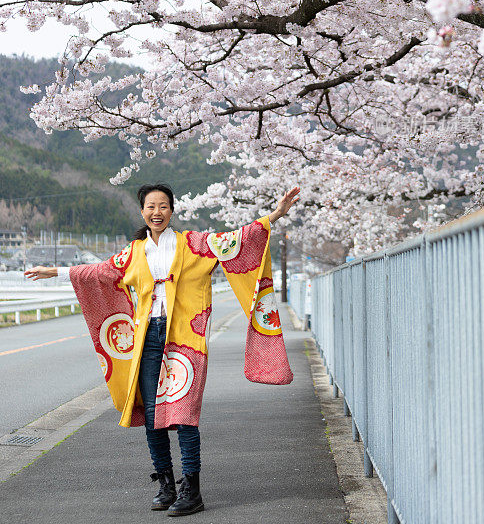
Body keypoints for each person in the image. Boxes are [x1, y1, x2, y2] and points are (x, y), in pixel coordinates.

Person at [25, 183, 299, 517]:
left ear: (172, 211)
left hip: (185, 337)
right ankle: (166, 484)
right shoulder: (133, 253)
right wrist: (52, 271)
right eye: (151, 207)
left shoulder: (192, 244)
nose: (157, 212)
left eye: (164, 206)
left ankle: (192, 489)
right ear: (142, 212)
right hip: (147, 340)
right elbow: (96, 271)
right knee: (154, 415)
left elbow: (237, 240)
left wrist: (276, 214)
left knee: (184, 413)